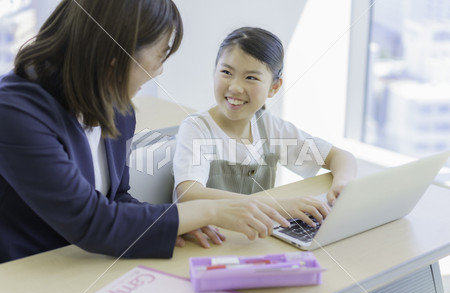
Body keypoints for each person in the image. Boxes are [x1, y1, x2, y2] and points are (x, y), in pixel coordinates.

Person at [0, 1, 296, 263]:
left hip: (81, 265)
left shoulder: (116, 107)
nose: (159, 70)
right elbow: (92, 221)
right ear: (117, 50)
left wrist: (173, 223)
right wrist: (207, 212)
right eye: (160, 54)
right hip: (26, 277)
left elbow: (117, 198)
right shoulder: (14, 112)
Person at [173, 27, 357, 248]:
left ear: (274, 87)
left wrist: (342, 185)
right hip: (211, 243)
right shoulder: (197, 128)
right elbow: (189, 195)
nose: (235, 87)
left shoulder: (269, 127)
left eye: (251, 77)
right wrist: (276, 206)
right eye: (226, 72)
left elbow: (340, 157)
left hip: (254, 240)